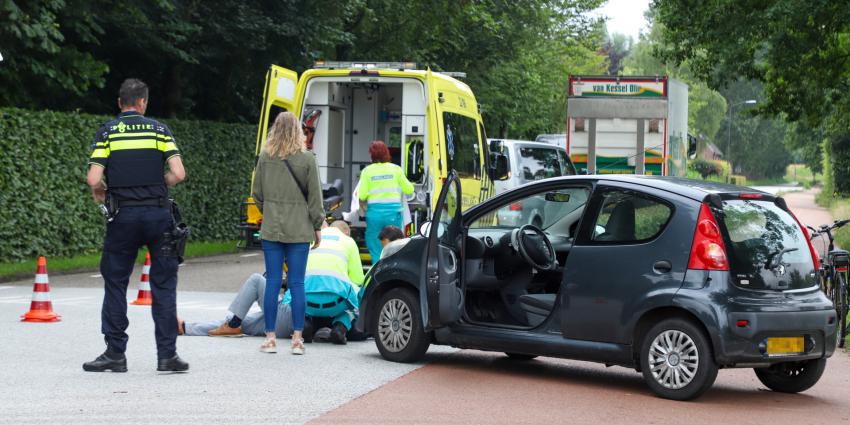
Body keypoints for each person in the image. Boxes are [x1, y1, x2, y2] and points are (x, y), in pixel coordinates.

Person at [83, 78, 188, 373]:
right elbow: (178, 173)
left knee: (116, 283)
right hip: (158, 215)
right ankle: (167, 356)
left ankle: (115, 353)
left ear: (120, 102)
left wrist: (102, 189)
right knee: (164, 285)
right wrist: (160, 184)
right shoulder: (159, 130)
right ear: (143, 103)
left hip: (123, 218)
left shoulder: (108, 132)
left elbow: (93, 179)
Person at [180, 221, 364, 344]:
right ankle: (188, 327)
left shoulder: (309, 242)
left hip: (295, 311)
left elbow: (294, 279)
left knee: (255, 283)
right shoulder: (348, 242)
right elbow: (357, 282)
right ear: (345, 232)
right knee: (350, 307)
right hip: (330, 309)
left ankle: (230, 323)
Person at [253, 111, 324, 354]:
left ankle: (270, 337)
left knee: (273, 281)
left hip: (272, 228)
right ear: (298, 131)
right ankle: (296, 339)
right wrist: (317, 225)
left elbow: (257, 194)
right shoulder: (307, 159)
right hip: (300, 228)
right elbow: (315, 197)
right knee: (297, 283)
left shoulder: (265, 156)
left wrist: (270, 210)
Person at [358, 141, 414, 261]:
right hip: (393, 214)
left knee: (375, 244)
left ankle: (376, 270)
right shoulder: (396, 169)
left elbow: (362, 195)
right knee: (395, 245)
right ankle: (392, 270)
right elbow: (409, 189)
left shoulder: (367, 171)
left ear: (372, 155)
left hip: (374, 215)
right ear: (386, 153)